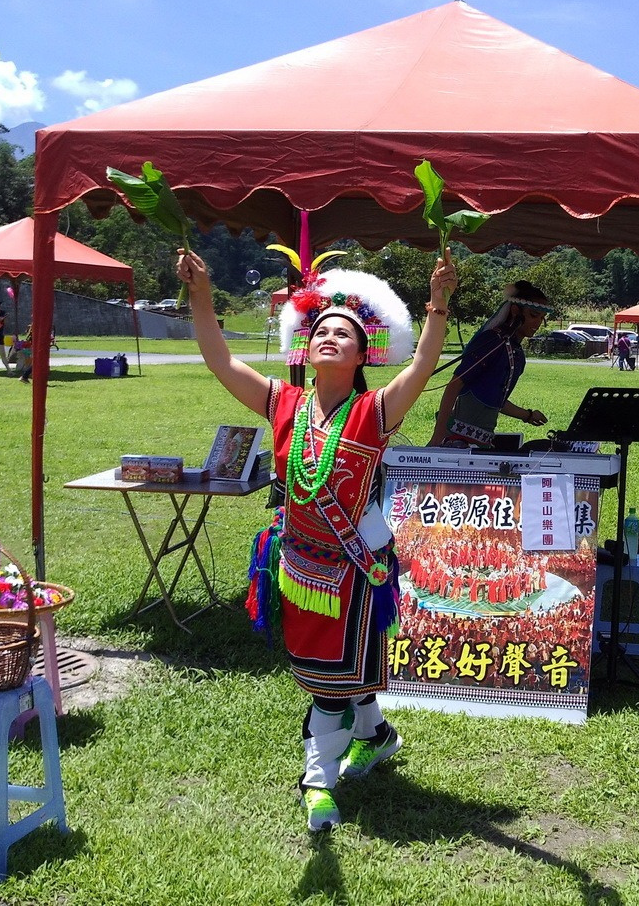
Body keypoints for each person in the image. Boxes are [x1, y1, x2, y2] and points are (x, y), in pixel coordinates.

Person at [177, 246, 456, 833]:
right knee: (337, 667)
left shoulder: (375, 412)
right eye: (320, 330)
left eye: (343, 334)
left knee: (330, 683)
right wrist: (202, 298)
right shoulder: (282, 402)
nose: (328, 338)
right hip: (300, 567)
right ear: (306, 345)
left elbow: (424, 364)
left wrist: (438, 304)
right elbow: (221, 361)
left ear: (362, 356)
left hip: (355, 570)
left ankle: (317, 780)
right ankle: (377, 736)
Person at [428, 281, 551, 448]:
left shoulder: (517, 354)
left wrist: (527, 415)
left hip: (482, 443)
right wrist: (439, 433)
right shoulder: (492, 341)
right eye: (533, 315)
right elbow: (454, 385)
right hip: (456, 441)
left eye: (542, 318)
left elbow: (495, 400)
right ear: (515, 311)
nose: (537, 324)